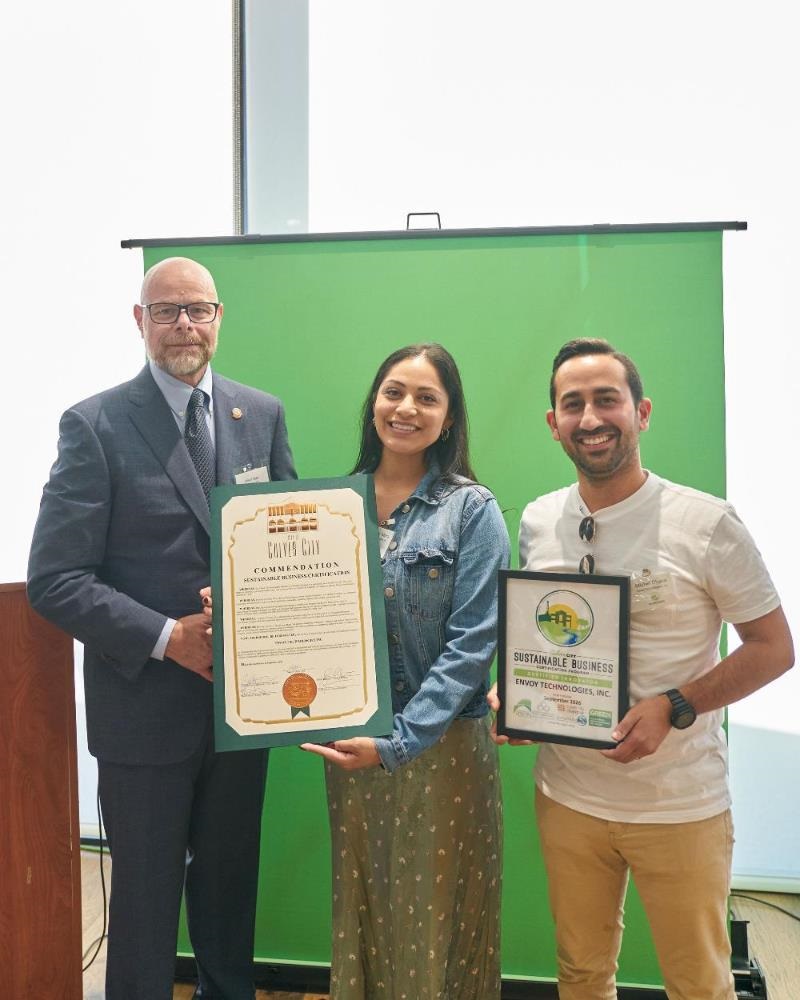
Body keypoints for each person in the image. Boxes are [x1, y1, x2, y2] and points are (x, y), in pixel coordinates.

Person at [490, 337, 794, 999]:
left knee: (697, 983)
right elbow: (550, 641)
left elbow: (774, 648)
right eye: (574, 404)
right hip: (567, 797)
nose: (591, 418)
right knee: (580, 973)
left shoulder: (707, 522)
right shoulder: (542, 520)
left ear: (642, 412)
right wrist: (517, 696)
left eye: (607, 400)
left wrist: (676, 705)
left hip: (679, 805)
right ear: (554, 423)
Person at [27, 257, 296, 1000]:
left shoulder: (261, 415)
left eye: (199, 310)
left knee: (229, 897)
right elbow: (55, 581)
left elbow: (285, 547)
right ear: (140, 321)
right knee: (145, 911)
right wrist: (169, 636)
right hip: (143, 716)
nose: (186, 325)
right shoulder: (96, 424)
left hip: (243, 714)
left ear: (219, 318)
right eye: (168, 310)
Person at [301, 343, 509, 999]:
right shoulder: (331, 505)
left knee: (438, 924)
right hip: (353, 749)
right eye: (394, 392)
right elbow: (304, 617)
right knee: (364, 909)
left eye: (426, 397)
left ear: (448, 419)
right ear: (374, 405)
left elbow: (472, 644)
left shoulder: (473, 511)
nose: (406, 408)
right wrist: (239, 605)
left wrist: (397, 742)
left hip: (441, 752)